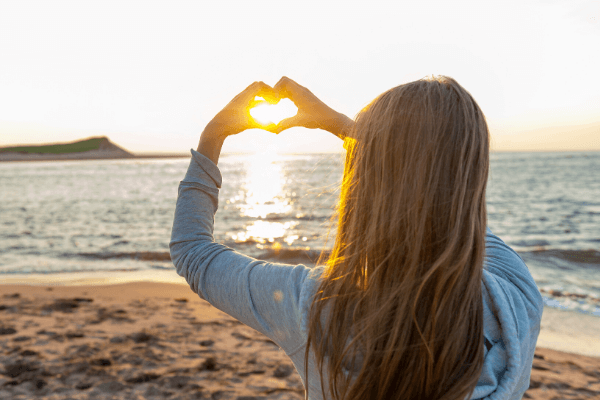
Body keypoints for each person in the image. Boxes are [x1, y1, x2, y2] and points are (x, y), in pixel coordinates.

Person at [170, 76, 544, 400]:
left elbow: (193, 251)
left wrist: (213, 135)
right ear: (474, 175)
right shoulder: (515, 304)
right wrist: (350, 130)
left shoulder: (314, 307)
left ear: (363, 181)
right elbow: (454, 213)